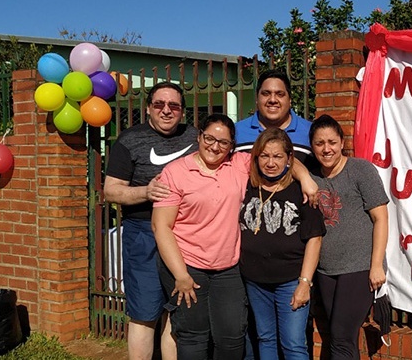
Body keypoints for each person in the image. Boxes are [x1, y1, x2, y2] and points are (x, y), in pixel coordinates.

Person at [152, 114, 318, 360]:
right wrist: (180, 275)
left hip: (228, 267)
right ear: (199, 137)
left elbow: (279, 157)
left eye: (223, 142)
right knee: (193, 336)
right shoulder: (176, 172)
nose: (215, 146)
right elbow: (161, 226)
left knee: (231, 337)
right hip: (187, 264)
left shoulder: (240, 163)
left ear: (232, 146)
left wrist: (305, 178)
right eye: (209, 138)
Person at [103, 81, 197, 360]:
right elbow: (110, 191)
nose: (166, 110)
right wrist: (146, 192)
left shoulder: (195, 137)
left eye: (174, 106)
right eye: (159, 104)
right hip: (143, 233)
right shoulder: (130, 140)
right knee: (144, 313)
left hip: (184, 234)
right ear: (148, 109)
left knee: (177, 309)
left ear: (182, 111)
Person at [239, 128, 325, 360]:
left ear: (289, 159)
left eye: (277, 156)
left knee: (293, 344)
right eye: (265, 156)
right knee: (265, 338)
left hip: (290, 280)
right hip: (255, 280)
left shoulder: (302, 191)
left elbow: (315, 238)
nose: (270, 163)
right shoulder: (246, 185)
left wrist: (304, 283)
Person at [308, 115, 390, 360]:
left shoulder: (361, 170)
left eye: (332, 142)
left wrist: (376, 265)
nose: (326, 149)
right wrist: (303, 176)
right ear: (312, 146)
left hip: (359, 266)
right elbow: (292, 165)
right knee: (339, 338)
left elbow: (381, 219)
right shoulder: (312, 174)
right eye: (319, 143)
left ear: (342, 143)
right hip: (326, 269)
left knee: (341, 336)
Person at [235, 69, 313, 163]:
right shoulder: (236, 132)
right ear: (257, 98)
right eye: (266, 94)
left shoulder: (310, 132)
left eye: (280, 94)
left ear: (290, 100)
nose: (272, 100)